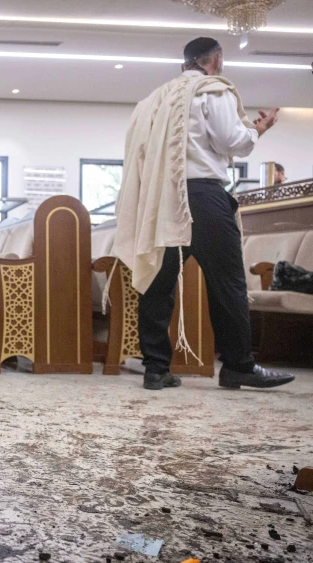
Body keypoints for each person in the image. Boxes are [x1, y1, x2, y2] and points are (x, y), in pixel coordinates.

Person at [113, 37, 295, 391]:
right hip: (203, 197)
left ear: (184, 64)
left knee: (156, 281)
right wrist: (257, 130)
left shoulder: (152, 101)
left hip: (161, 200)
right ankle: (238, 366)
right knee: (227, 282)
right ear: (217, 60)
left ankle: (155, 368)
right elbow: (233, 142)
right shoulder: (214, 90)